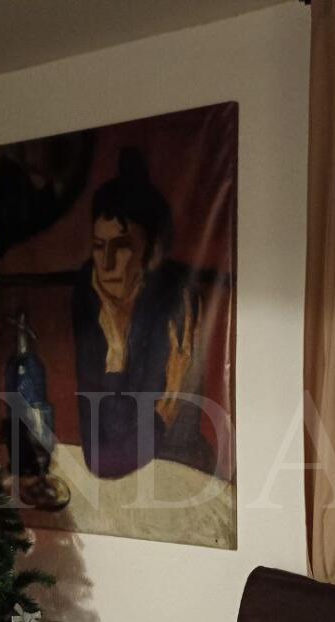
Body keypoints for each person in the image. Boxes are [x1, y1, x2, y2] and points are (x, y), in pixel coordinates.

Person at [71, 148, 210, 479]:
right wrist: (117, 350)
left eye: (121, 247)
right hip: (125, 474)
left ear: (154, 252)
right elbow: (100, 455)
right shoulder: (89, 293)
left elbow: (161, 443)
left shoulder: (176, 297)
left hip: (176, 472)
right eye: (99, 246)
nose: (105, 265)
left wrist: (166, 409)